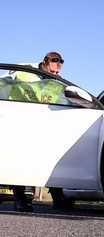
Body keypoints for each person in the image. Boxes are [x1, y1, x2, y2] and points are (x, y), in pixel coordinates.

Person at [12, 51, 64, 212]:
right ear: (45, 63)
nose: (55, 74)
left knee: (51, 157)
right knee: (21, 159)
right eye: (53, 71)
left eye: (57, 72)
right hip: (19, 118)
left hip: (43, 122)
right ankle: (21, 199)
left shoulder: (56, 80)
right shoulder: (27, 70)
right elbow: (11, 77)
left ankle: (58, 196)